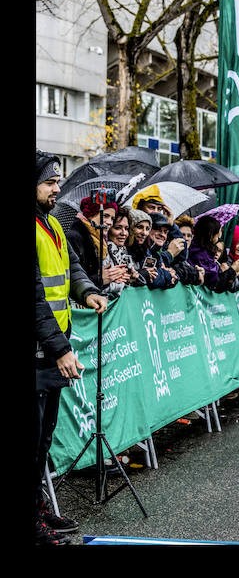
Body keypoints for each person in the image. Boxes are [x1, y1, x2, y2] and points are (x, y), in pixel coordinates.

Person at [35, 150, 108, 545]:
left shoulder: (52, 224)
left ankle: (38, 507)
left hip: (49, 351)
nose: (57, 189)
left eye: (57, 181)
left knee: (43, 440)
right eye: (49, 182)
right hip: (43, 350)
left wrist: (87, 291)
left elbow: (72, 267)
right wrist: (61, 349)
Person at [65, 195, 121, 290]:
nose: (110, 222)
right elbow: (73, 279)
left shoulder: (99, 239)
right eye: (105, 216)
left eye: (112, 218)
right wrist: (99, 279)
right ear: (90, 215)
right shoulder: (74, 237)